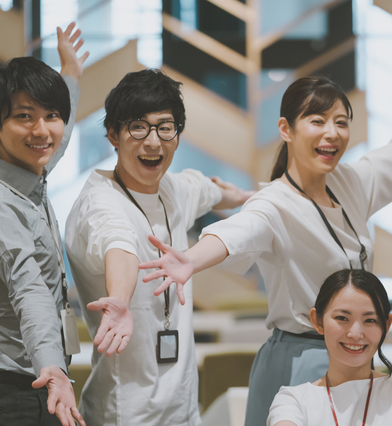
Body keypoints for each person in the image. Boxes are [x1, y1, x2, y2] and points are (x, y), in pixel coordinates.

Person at [139, 75, 392, 426]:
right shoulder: (274, 202)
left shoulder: (349, 183)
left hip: (354, 352)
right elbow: (239, 231)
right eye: (317, 121)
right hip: (302, 359)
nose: (332, 132)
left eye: (341, 122)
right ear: (286, 129)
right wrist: (191, 260)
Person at [64, 69, 253, 426]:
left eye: (165, 128)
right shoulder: (99, 204)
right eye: (138, 127)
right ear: (112, 134)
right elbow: (119, 247)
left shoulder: (174, 189)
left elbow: (212, 190)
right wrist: (120, 300)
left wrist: (245, 196)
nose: (153, 142)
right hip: (124, 413)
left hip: (183, 410)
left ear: (177, 135)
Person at [0, 23, 88, 426]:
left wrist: (70, 74)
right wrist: (52, 366)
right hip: (17, 390)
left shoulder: (31, 172)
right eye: (24, 116)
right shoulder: (4, 202)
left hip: (38, 382)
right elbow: (28, 287)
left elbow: (57, 138)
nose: (41, 130)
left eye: (51, 115)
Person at [267, 269, 392, 426]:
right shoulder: (293, 400)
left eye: (370, 320)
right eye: (342, 318)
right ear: (317, 321)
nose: (355, 333)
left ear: (386, 325)